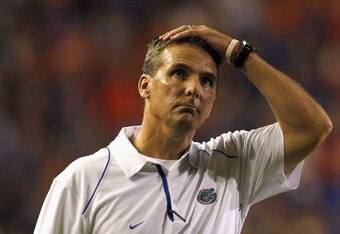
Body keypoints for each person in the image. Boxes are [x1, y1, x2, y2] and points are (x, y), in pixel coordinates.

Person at [34, 25, 332, 234]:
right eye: (179, 73)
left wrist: (237, 53)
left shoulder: (232, 163)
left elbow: (312, 127)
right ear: (144, 86)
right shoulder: (84, 180)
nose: (194, 89)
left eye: (207, 81)